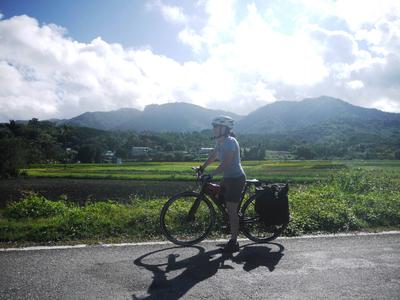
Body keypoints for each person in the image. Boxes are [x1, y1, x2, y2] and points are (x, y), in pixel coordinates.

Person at [199, 115, 246, 253]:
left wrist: (211, 174)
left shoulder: (231, 142)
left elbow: (226, 163)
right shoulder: (221, 142)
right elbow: (214, 155)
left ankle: (234, 241)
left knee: (231, 211)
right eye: (213, 126)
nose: (213, 129)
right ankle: (232, 225)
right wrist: (202, 167)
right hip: (227, 178)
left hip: (236, 179)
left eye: (215, 126)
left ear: (223, 128)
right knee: (220, 199)